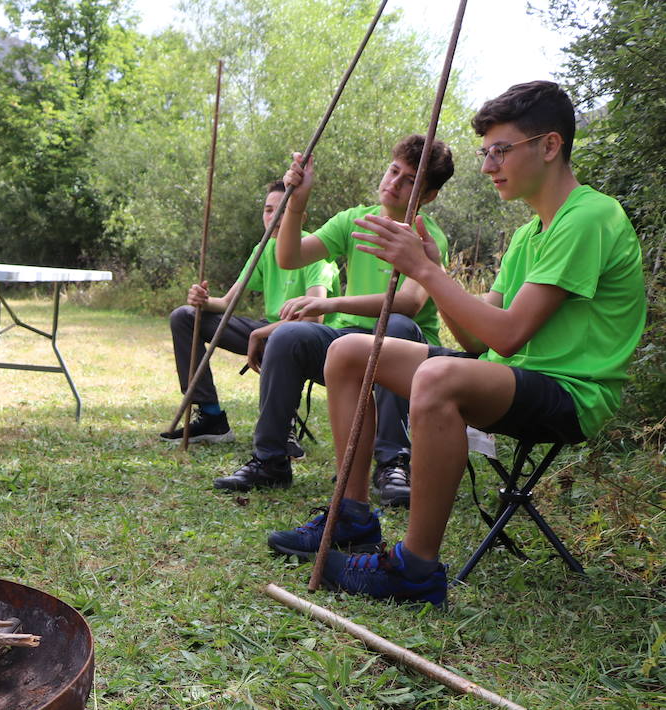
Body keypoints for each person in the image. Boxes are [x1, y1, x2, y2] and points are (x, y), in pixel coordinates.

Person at [268, 81, 647, 608]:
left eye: (500, 150)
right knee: (348, 353)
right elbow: (475, 337)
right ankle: (353, 517)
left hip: (571, 392)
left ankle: (414, 570)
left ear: (550, 145)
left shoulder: (588, 217)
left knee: (437, 376)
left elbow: (510, 335)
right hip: (512, 376)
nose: (489, 165)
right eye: (484, 153)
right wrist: (437, 271)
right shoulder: (528, 235)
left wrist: (424, 271)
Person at [212, 135, 455, 504]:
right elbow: (289, 257)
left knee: (397, 329)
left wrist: (332, 302)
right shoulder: (354, 221)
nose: (394, 183)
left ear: (429, 195)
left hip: (409, 350)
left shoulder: (426, 235)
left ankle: (393, 463)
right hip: (349, 341)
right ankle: (271, 459)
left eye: (409, 180)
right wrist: (298, 203)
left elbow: (405, 303)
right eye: (393, 171)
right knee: (288, 336)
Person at [161, 179, 339, 447]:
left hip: (313, 341)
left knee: (284, 336)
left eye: (283, 210)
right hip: (267, 331)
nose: (274, 217)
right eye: (268, 210)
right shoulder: (262, 249)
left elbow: (315, 318)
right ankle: (211, 417)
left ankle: (282, 428)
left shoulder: (315, 250)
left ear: (300, 215)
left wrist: (265, 331)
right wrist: (203, 301)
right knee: (184, 316)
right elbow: (226, 304)